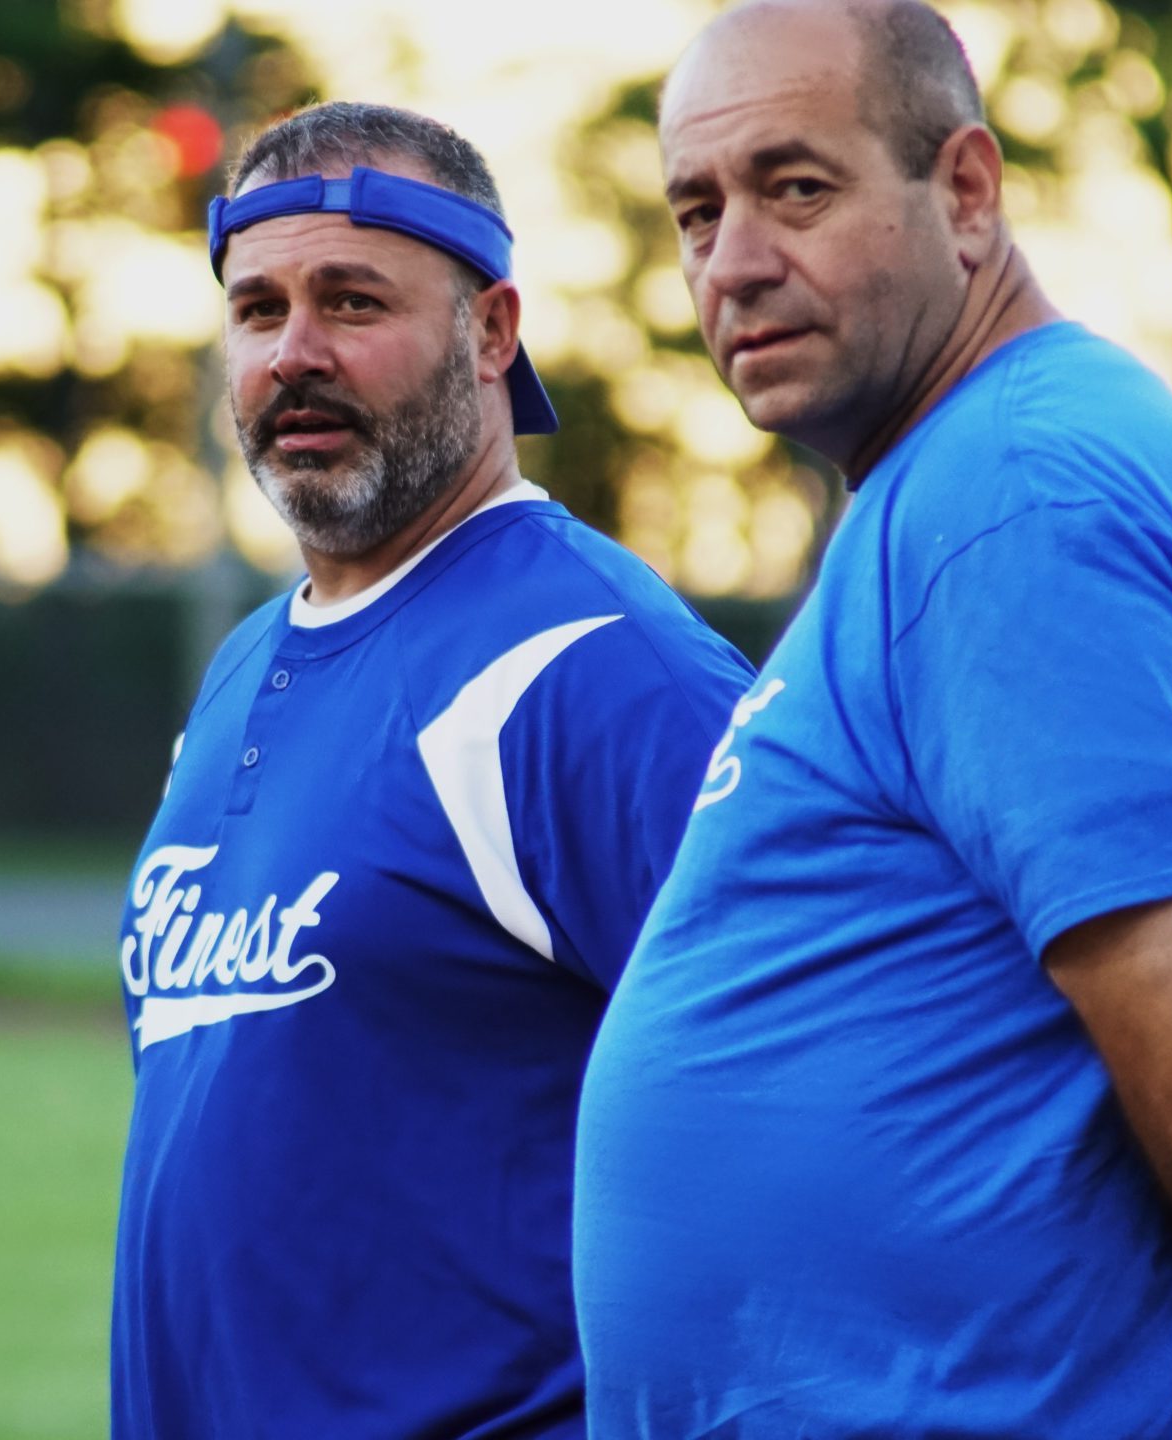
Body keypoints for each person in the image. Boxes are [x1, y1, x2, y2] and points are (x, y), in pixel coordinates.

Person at [570, 4, 1172, 1438]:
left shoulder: (1017, 499)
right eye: (697, 212)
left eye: (797, 188)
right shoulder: (982, 478)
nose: (734, 262)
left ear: (967, 192)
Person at [109, 102, 755, 1440]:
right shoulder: (244, 667)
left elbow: (803, 1112)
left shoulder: (594, 669)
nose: (295, 353)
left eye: (353, 301)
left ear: (492, 332)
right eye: (257, 309)